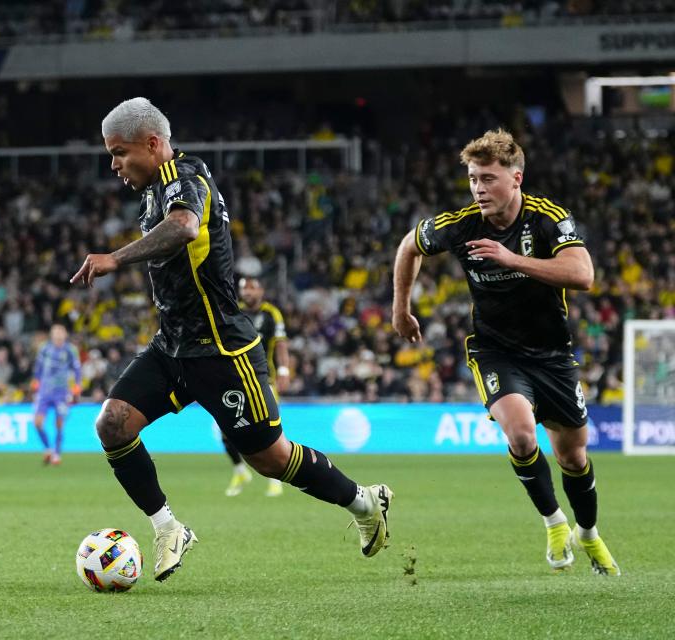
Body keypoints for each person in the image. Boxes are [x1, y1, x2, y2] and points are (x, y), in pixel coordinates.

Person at [71, 97, 392, 583]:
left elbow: (183, 228)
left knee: (270, 458)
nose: (113, 165)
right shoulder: (150, 194)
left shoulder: (187, 178)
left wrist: (116, 258)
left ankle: (364, 502)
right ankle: (168, 528)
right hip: (173, 346)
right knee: (112, 424)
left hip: (222, 349)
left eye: (119, 152)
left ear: (153, 144)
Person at [391, 128, 618, 576]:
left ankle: (588, 533)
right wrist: (401, 309)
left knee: (573, 457)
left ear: (516, 179)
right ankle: (554, 524)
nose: (478, 188)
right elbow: (408, 246)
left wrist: (512, 259)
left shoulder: (547, 218)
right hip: (495, 351)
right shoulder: (459, 224)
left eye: (488, 179)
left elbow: (583, 274)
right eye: (473, 178)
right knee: (520, 435)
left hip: (552, 353)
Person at [223, 276, 291, 498]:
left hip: (264, 379)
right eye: (244, 289)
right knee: (225, 429)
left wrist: (283, 370)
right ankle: (240, 471)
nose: (248, 293)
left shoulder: (271, 313)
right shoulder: (234, 312)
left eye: (252, 288)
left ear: (261, 290)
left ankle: (275, 480)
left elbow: (280, 343)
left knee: (266, 429)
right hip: (235, 379)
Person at [31, 323, 82, 465]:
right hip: (45, 391)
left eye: (61, 333)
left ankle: (57, 454)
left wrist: (77, 385)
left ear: (65, 335)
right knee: (37, 422)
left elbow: (77, 368)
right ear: (52, 335)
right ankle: (48, 449)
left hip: (61, 392)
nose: (58, 336)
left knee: (59, 423)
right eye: (56, 333)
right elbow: (39, 367)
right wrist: (36, 380)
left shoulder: (70, 350)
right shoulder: (44, 348)